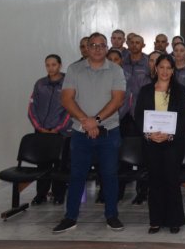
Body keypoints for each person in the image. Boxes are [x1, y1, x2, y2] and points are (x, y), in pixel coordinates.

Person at [53, 33, 126, 234]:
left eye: (101, 45)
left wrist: (97, 120)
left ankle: (111, 216)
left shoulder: (116, 70)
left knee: (110, 175)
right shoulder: (74, 69)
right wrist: (87, 121)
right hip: (80, 131)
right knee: (77, 175)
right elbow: (67, 99)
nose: (97, 49)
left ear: (106, 47)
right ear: (86, 47)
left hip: (109, 132)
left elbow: (118, 99)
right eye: (92, 45)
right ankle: (70, 217)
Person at [134, 54, 185, 234]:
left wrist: (169, 134)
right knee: (155, 181)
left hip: (173, 143)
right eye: (162, 67)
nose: (165, 71)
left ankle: (174, 220)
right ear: (155, 69)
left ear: (173, 71)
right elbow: (139, 116)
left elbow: (184, 118)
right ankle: (155, 220)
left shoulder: (180, 91)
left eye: (169, 68)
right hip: (151, 142)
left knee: (171, 181)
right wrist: (149, 134)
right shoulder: (145, 91)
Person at [28, 54, 71, 206]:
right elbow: (32, 107)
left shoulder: (68, 83)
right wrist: (39, 127)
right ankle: (41, 194)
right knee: (43, 164)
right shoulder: (40, 84)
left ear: (60, 65)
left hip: (60, 132)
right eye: (48, 65)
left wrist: (58, 128)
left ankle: (59, 194)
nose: (50, 67)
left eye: (54, 64)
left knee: (60, 164)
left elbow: (71, 109)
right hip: (42, 131)